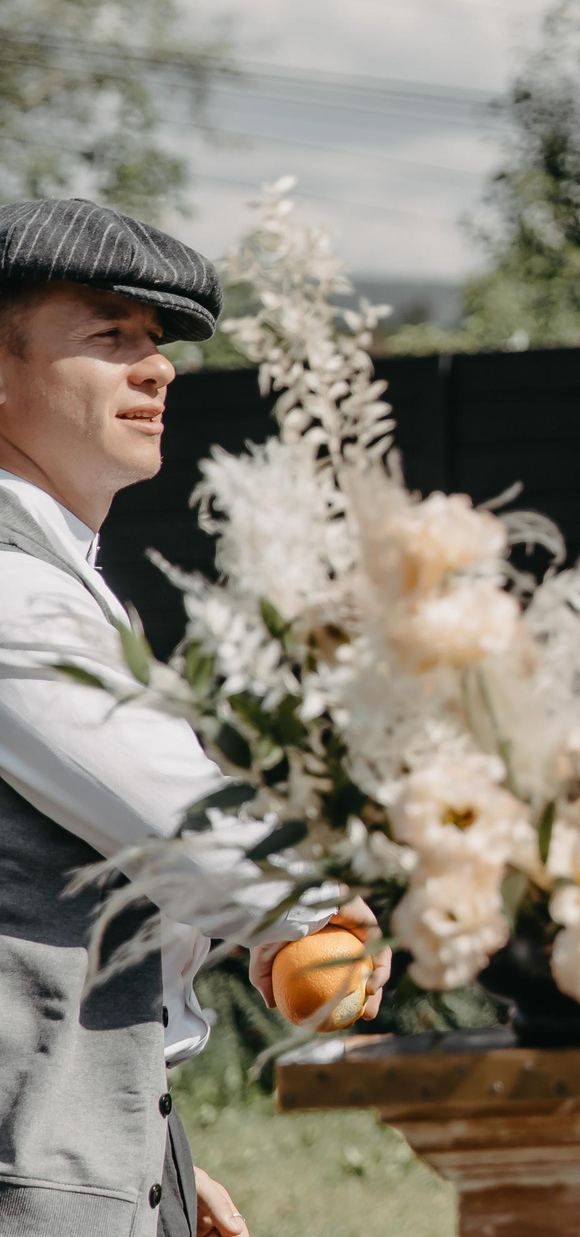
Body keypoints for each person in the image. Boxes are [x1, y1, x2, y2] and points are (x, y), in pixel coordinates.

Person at [0, 198, 392, 1237]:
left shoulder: (53, 574)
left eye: (158, 343)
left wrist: (151, 1160)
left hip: (82, 1146)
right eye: (109, 337)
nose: (157, 366)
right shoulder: (8, 587)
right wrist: (309, 913)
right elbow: (184, 825)